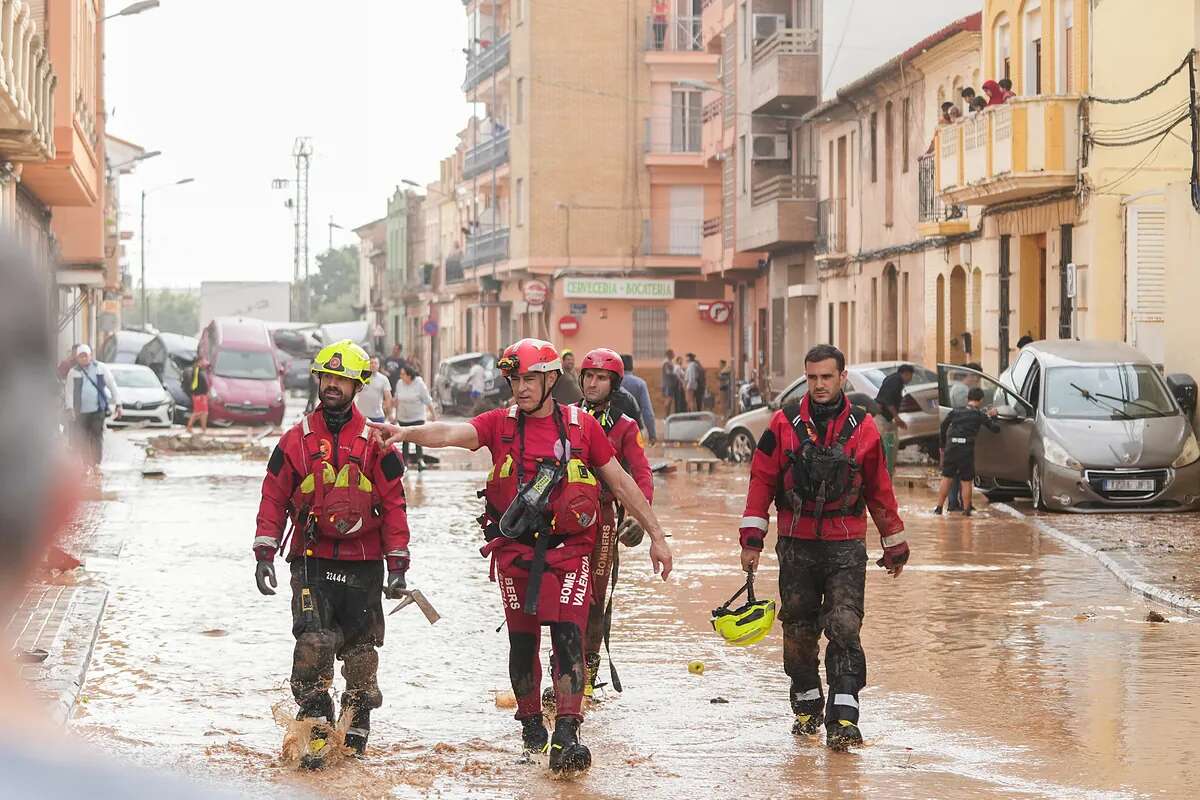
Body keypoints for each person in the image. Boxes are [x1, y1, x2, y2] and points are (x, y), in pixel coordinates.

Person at [369, 338, 673, 774]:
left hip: (569, 552)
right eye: (514, 379)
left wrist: (657, 537)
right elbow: (453, 434)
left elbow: (623, 483)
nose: (521, 387)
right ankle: (532, 726)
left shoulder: (583, 427)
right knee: (523, 643)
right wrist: (405, 433)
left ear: (551, 379)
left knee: (570, 639)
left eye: (530, 378)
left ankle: (568, 733)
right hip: (514, 553)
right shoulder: (500, 423)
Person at [738, 344, 908, 752]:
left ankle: (844, 717)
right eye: (812, 378)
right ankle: (807, 703)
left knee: (845, 626)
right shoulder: (782, 426)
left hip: (846, 546)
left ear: (842, 377)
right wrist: (752, 539)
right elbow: (761, 480)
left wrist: (894, 543)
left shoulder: (865, 428)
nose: (818, 385)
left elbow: (879, 489)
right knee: (798, 628)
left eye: (826, 378)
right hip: (796, 545)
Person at [253, 339, 412, 769]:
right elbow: (273, 497)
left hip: (364, 566)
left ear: (358, 384)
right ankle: (318, 728)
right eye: (327, 377)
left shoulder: (379, 444)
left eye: (342, 379)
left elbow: (395, 503)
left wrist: (398, 564)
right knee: (312, 644)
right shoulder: (295, 441)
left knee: (361, 650)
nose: (332, 386)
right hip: (311, 560)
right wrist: (264, 552)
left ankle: (357, 723)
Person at [576, 348, 654, 699]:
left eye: (602, 378)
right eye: (588, 376)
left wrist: (641, 517)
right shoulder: (565, 417)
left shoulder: (625, 427)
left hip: (603, 521)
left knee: (594, 599)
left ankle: (587, 679)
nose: (593, 383)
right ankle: (565, 671)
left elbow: (641, 473)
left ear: (615, 384)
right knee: (560, 602)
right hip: (560, 522)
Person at [934, 387, 1000, 516]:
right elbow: (995, 429)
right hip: (965, 449)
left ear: (967, 398)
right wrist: (994, 416)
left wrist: (943, 445)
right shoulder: (979, 415)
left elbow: (943, 426)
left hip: (951, 447)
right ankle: (966, 510)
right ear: (981, 400)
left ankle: (938, 508)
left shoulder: (956, 411)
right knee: (966, 481)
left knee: (946, 478)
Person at [64, 344, 121, 468]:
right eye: (81, 356)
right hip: (81, 412)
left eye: (86, 355)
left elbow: (112, 385)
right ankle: (86, 465)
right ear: (77, 358)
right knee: (83, 439)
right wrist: (70, 408)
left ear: (90, 356)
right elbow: (69, 391)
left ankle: (96, 464)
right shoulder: (73, 372)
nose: (84, 358)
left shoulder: (101, 368)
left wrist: (118, 403)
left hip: (97, 410)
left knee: (96, 436)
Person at [393, 364, 437, 469]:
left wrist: (433, 415)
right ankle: (404, 463)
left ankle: (420, 460)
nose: (401, 376)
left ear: (409, 375)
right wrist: (395, 416)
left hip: (417, 417)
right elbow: (397, 400)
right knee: (405, 439)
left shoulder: (419, 383)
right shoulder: (400, 383)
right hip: (403, 417)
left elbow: (427, 400)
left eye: (403, 374)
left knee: (418, 439)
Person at [873, 364, 914, 476]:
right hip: (881, 417)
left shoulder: (896, 381)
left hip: (887, 418)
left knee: (893, 441)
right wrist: (897, 418)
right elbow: (888, 401)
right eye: (910, 376)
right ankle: (881, 471)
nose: (911, 379)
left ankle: (889, 469)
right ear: (906, 373)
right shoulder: (895, 381)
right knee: (882, 444)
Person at [620, 354, 657, 443]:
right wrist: (652, 435)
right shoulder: (640, 384)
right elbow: (647, 411)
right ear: (632, 367)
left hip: (613, 430)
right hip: (634, 430)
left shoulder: (611, 382)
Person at [354, 355, 394, 424]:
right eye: (371, 363)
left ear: (379, 365)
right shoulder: (360, 377)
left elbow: (388, 397)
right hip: (361, 416)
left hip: (377, 417)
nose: (373, 365)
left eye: (375, 363)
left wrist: (390, 413)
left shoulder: (383, 379)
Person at [185, 356, 210, 434]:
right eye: (203, 361)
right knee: (198, 412)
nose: (205, 362)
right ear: (199, 361)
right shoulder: (196, 370)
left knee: (204, 412)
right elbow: (195, 383)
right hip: (198, 394)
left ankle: (203, 428)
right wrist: (197, 393)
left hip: (203, 394)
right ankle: (189, 427)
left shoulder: (201, 370)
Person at [661, 349, 679, 415]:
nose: (674, 355)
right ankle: (666, 417)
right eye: (673, 353)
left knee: (669, 400)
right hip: (668, 384)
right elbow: (668, 372)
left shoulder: (669, 362)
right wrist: (676, 373)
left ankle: (667, 416)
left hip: (670, 384)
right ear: (670, 355)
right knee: (668, 400)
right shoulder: (666, 362)